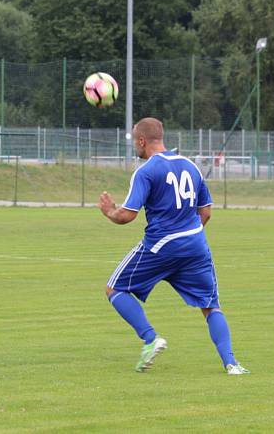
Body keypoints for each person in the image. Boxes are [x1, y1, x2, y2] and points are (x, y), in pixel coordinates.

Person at [98, 117, 249, 375]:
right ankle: (232, 364)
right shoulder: (191, 166)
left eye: (136, 141)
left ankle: (150, 339)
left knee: (114, 288)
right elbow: (207, 212)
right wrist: (189, 236)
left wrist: (110, 211)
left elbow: (127, 215)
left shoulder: (146, 171)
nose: (136, 145)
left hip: (161, 246)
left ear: (142, 141)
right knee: (211, 305)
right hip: (195, 245)